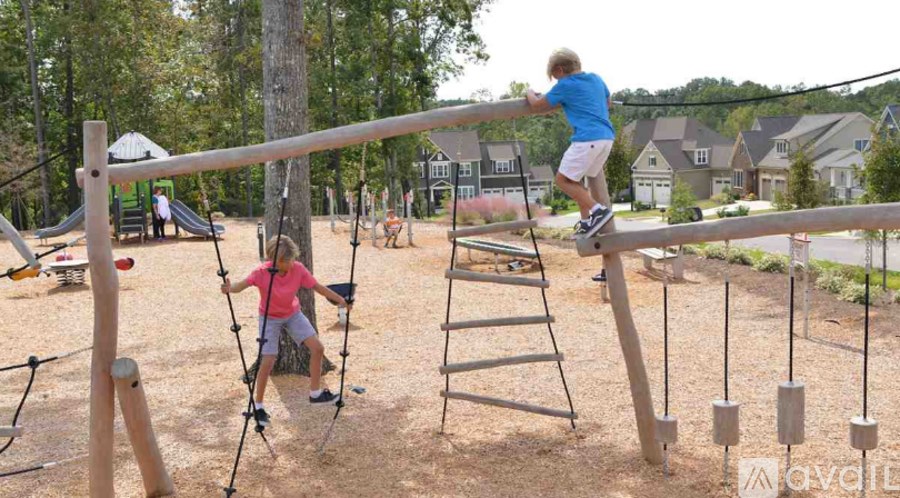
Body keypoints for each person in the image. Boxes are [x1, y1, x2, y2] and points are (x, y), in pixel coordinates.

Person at [220, 235, 350, 427]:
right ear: (276, 260)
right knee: (268, 359)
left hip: (292, 313)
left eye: (291, 258)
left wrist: (340, 300)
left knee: (317, 348)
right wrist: (229, 288)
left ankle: (315, 393)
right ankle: (259, 405)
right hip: (269, 318)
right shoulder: (261, 273)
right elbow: (241, 285)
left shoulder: (297, 269)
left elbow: (318, 287)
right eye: (286, 260)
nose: (291, 263)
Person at [526, 47, 615, 238]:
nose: (556, 81)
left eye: (555, 77)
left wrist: (529, 92)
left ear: (559, 70)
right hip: (606, 138)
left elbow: (536, 106)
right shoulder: (596, 78)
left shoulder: (565, 85)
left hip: (587, 139)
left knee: (562, 180)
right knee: (576, 182)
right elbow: (608, 102)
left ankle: (599, 211)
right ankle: (585, 222)